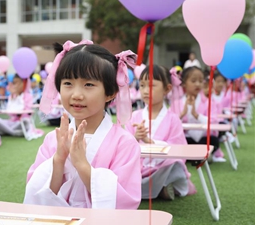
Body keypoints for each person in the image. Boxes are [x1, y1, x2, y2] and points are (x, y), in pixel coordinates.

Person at [24, 40, 142, 209]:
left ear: (110, 93)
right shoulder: (53, 139)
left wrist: (82, 165)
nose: (76, 94)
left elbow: (124, 200)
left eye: (88, 85)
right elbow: (37, 193)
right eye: (68, 84)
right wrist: (58, 160)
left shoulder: (125, 143)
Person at [126, 65, 196, 200]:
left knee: (174, 164)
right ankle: (161, 188)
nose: (145, 91)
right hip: (139, 167)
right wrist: (135, 137)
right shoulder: (134, 116)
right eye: (142, 85)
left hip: (162, 165)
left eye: (152, 86)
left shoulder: (173, 119)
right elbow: (123, 146)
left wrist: (149, 141)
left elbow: (179, 149)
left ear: (167, 89)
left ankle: (162, 186)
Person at [170, 66, 220, 161]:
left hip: (203, 138)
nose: (197, 84)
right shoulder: (176, 103)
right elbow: (170, 125)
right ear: (184, 83)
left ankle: (194, 156)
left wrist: (196, 115)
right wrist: (183, 113)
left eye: (200, 81)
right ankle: (195, 156)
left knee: (214, 140)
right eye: (193, 81)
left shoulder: (209, 102)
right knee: (178, 142)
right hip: (186, 139)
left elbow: (214, 122)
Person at [0, 74, 44, 140]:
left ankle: (9, 131)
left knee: (25, 122)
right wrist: (13, 97)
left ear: (23, 84)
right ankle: (12, 132)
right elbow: (9, 112)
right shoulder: (12, 96)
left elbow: (26, 113)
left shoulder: (28, 96)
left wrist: (18, 97)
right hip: (12, 123)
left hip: (22, 123)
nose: (15, 86)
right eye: (13, 83)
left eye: (16, 83)